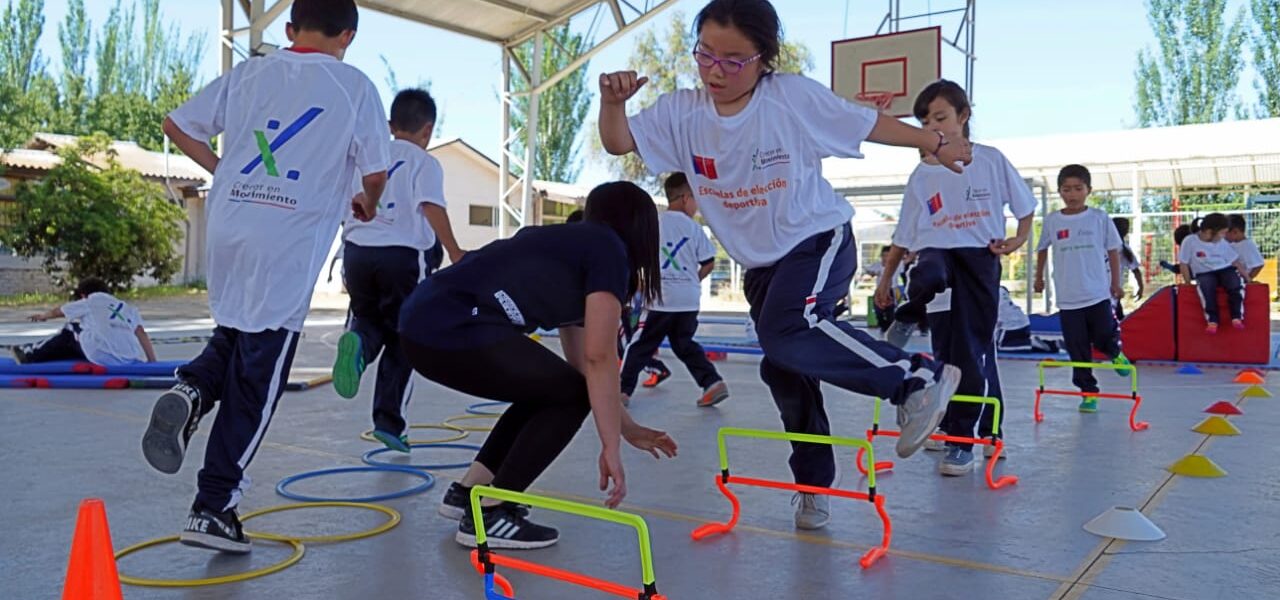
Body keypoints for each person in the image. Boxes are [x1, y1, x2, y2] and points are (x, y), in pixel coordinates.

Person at [599, 0, 963, 530]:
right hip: (762, 267)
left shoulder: (788, 97)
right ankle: (814, 485)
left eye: (734, 60)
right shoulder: (681, 111)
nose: (716, 71)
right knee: (783, 364)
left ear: (764, 59)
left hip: (816, 238)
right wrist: (612, 102)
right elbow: (618, 141)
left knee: (785, 330)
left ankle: (917, 381)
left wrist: (932, 141)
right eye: (706, 55)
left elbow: (865, 123)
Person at [142, 0, 391, 554]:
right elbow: (375, 171)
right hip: (287, 237)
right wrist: (366, 202)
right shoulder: (354, 86)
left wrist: (223, 172)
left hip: (230, 228)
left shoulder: (250, 72)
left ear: (289, 27)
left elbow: (176, 124)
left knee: (233, 334)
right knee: (259, 375)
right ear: (347, 35)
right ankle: (214, 506)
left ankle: (193, 387)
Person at [401, 182, 677, 549]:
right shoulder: (609, 250)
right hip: (456, 324)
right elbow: (599, 359)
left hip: (422, 323)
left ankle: (470, 493)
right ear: (642, 227)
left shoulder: (571, 248)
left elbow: (581, 366)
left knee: (551, 389)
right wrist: (611, 446)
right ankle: (492, 513)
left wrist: (625, 428)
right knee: (566, 393)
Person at [875, 80, 1035, 476]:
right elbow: (902, 236)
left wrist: (1018, 239)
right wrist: (885, 281)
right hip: (937, 259)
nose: (936, 127)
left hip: (978, 262)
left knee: (965, 356)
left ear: (964, 117)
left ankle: (963, 439)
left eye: (942, 117)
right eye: (927, 122)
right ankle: (910, 314)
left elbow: (1025, 206)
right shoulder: (922, 174)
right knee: (930, 281)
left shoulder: (991, 160)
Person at [330, 89, 464, 454]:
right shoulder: (424, 162)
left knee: (369, 319)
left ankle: (357, 346)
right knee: (407, 334)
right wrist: (454, 251)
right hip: (402, 257)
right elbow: (431, 207)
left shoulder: (366, 158)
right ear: (428, 130)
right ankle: (389, 423)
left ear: (390, 125)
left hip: (357, 254)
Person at [619, 172, 729, 408]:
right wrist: (692, 280)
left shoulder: (653, 224)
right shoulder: (694, 229)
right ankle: (712, 382)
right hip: (688, 299)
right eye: (695, 198)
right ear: (684, 197)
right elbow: (708, 262)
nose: (696, 205)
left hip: (661, 298)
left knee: (640, 344)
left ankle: (622, 390)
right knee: (684, 343)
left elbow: (635, 258)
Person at [1034, 165, 1132, 413]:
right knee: (1077, 349)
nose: (1072, 194)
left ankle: (1115, 353)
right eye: (1066, 189)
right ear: (1059, 192)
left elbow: (1113, 249)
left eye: (1078, 188)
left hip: (1097, 293)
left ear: (1088, 190)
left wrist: (1116, 283)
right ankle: (1088, 392)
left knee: (1102, 334)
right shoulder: (1053, 221)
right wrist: (1039, 278)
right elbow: (1042, 249)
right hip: (1068, 298)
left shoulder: (1099, 217)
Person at [570, 208, 674, 389]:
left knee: (625, 344)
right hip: (624, 305)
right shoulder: (608, 250)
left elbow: (637, 281)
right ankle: (653, 369)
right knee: (621, 344)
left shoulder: (614, 251)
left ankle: (654, 368)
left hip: (626, 306)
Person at [15, 277, 156, 365]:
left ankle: (29, 354)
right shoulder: (127, 307)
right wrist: (152, 362)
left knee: (70, 328)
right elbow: (141, 333)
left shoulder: (90, 301)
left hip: (102, 355)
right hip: (129, 358)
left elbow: (60, 311)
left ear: (83, 295)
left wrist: (43, 316)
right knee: (83, 336)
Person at [1179, 213, 1247, 332]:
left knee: (1234, 282)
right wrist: (1188, 282)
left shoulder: (1222, 243)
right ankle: (1212, 319)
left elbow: (1235, 261)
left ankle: (1236, 316)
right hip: (1204, 272)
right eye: (1222, 233)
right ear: (1209, 232)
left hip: (1224, 269)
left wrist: (1248, 278)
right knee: (1206, 286)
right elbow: (1184, 263)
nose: (1224, 236)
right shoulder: (1190, 241)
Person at [1111, 217, 1144, 320]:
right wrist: (1140, 287)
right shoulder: (1123, 248)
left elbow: (1135, 269)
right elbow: (1136, 270)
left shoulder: (1122, 248)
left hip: (1104, 292)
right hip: (1113, 291)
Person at [1226, 214, 1265, 282]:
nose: (1224, 236)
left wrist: (1248, 278)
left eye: (1226, 233)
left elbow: (1259, 265)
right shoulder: (1230, 243)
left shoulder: (1248, 245)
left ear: (1235, 232)